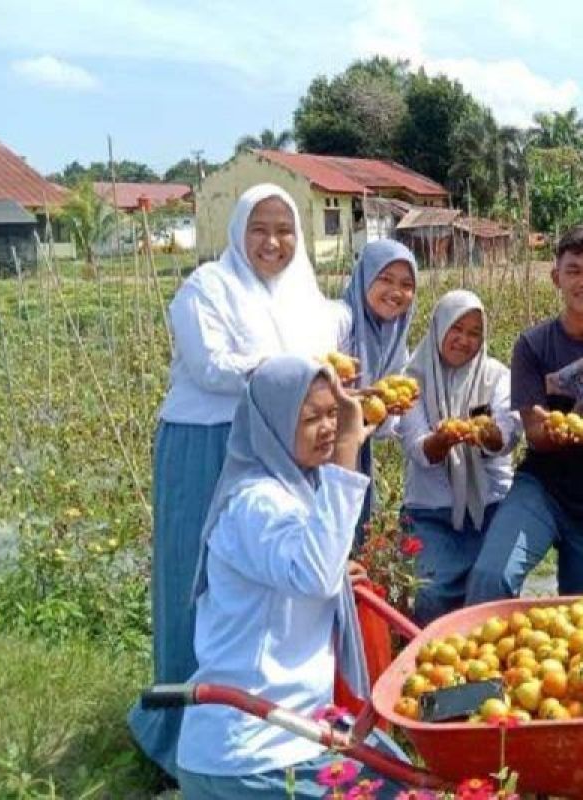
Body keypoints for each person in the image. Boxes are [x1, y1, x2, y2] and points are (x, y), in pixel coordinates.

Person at [129, 184, 346, 777]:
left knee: (279, 588)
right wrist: (281, 374)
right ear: (237, 232)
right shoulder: (208, 288)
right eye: (259, 229)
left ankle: (278, 715)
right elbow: (209, 367)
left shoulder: (307, 298)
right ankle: (178, 728)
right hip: (208, 441)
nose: (273, 243)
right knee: (198, 583)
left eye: (284, 230)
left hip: (280, 450)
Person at [176, 356, 402, 799]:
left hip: (299, 726)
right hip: (252, 752)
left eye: (333, 414)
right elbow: (314, 574)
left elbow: (312, 566)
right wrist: (346, 456)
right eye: (310, 418)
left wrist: (337, 569)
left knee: (402, 773)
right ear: (272, 424)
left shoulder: (295, 489)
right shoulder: (256, 502)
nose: (328, 428)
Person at [466, 224, 583, 602]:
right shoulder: (532, 345)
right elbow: (536, 433)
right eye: (574, 271)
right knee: (490, 577)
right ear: (556, 277)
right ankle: (487, 659)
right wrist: (551, 429)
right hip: (541, 486)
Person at [399, 290, 520, 625]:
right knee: (431, 593)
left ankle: (488, 667)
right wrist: (443, 440)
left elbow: (509, 434)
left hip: (490, 508)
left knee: (490, 591)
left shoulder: (496, 376)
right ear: (439, 327)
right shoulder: (412, 380)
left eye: (474, 333)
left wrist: (488, 435)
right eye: (457, 328)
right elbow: (418, 448)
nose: (464, 340)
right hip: (432, 511)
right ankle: (432, 664)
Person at [341, 239, 418, 535]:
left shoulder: (395, 338)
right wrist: (365, 401)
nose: (396, 292)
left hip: (357, 448)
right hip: (321, 451)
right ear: (364, 278)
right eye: (385, 279)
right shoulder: (339, 320)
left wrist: (388, 410)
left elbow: (386, 426)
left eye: (406, 284)